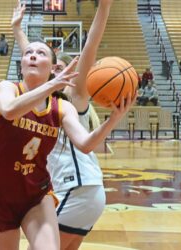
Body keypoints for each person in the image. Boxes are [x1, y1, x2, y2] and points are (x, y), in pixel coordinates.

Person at [0, 1, 134, 249]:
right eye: (29, 53)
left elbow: (85, 144)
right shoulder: (6, 88)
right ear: (21, 63)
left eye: (41, 54)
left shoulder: (64, 104)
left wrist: (114, 119)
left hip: (43, 191)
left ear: (52, 69)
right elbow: (9, 110)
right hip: (1, 192)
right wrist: (18, 30)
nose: (33, 55)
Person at [11, 0, 114, 249]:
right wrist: (17, 29)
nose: (56, 71)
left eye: (62, 68)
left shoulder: (73, 97)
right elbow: (33, 59)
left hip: (78, 187)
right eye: (53, 67)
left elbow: (90, 46)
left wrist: (105, 6)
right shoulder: (44, 98)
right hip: (81, 191)